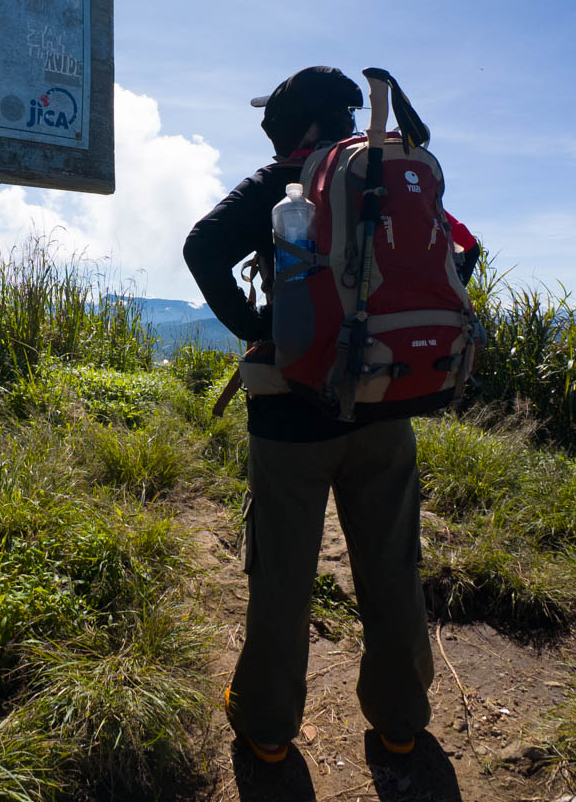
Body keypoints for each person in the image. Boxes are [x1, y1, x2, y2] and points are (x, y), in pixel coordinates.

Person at [183, 65, 436, 763]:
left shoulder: (281, 182)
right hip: (386, 405)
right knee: (391, 566)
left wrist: (255, 326)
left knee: (284, 576)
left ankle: (267, 728)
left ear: (295, 126)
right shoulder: (388, 170)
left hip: (292, 411)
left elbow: (201, 246)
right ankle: (401, 720)